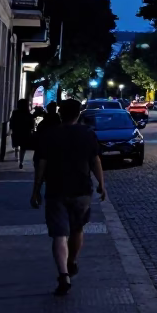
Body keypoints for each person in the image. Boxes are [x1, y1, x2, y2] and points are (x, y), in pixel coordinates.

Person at [30, 99, 106, 296]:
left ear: (60, 113)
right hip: (82, 189)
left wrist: (36, 189)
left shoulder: (49, 135)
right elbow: (95, 160)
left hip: (56, 189)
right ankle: (72, 261)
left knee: (59, 234)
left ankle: (63, 274)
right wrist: (102, 185)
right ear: (78, 114)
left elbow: (41, 164)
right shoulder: (88, 134)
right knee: (77, 228)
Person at [8, 99, 35, 169]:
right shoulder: (28, 114)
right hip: (25, 133)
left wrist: (11, 129)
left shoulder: (15, 112)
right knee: (23, 147)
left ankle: (16, 154)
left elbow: (12, 121)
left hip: (17, 131)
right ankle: (21, 161)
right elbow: (32, 125)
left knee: (16, 144)